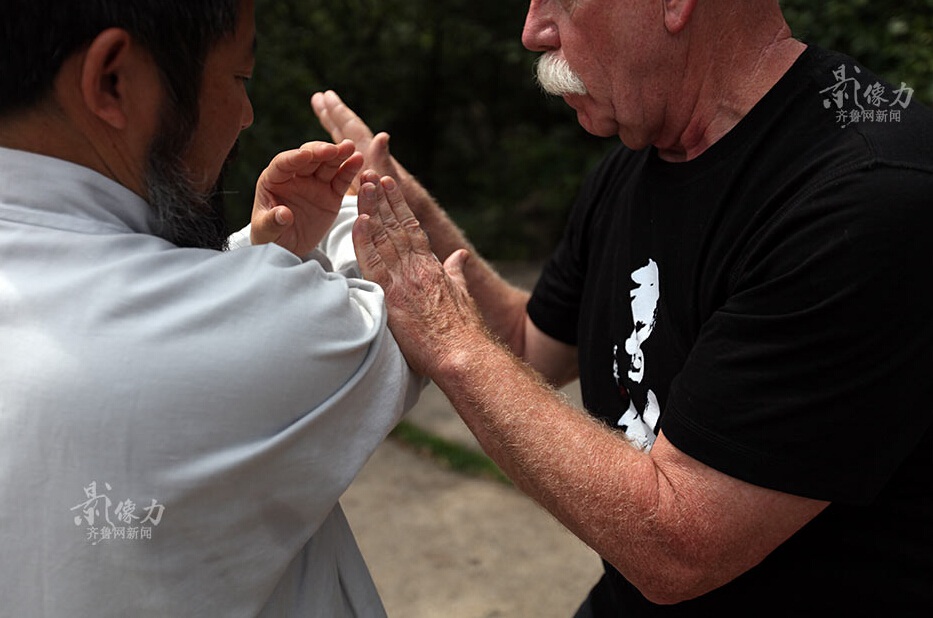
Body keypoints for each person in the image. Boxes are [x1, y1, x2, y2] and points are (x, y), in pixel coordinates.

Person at [267, 0, 932, 615]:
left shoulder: (864, 197)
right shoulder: (641, 160)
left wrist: (442, 330)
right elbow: (528, 348)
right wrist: (403, 211)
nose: (532, 31)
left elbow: (676, 546)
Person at [0, 1, 422, 615]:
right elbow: (405, 317)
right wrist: (364, 200)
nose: (247, 115)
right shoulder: (217, 330)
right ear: (113, 80)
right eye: (238, 79)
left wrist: (260, 257)